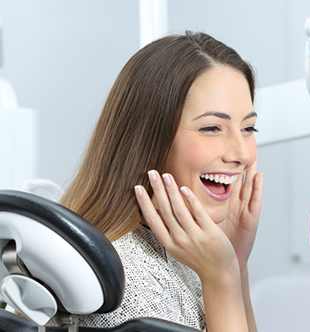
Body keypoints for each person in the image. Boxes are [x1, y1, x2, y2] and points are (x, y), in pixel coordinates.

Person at [60, 31, 263, 331]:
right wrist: (223, 278)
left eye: (249, 128)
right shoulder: (129, 282)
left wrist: (236, 263)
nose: (242, 153)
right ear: (147, 140)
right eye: (211, 128)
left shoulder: (188, 251)